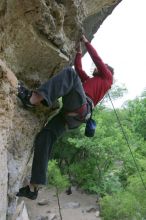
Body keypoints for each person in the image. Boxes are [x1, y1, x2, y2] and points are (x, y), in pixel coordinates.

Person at [16, 35, 114, 200]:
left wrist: (86, 42)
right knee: (44, 137)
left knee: (69, 74)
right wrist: (78, 52)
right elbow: (78, 67)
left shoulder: (107, 79)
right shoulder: (90, 80)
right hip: (72, 117)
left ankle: (32, 99)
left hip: (81, 108)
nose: (98, 67)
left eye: (103, 67)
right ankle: (33, 187)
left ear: (107, 71)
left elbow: (96, 60)